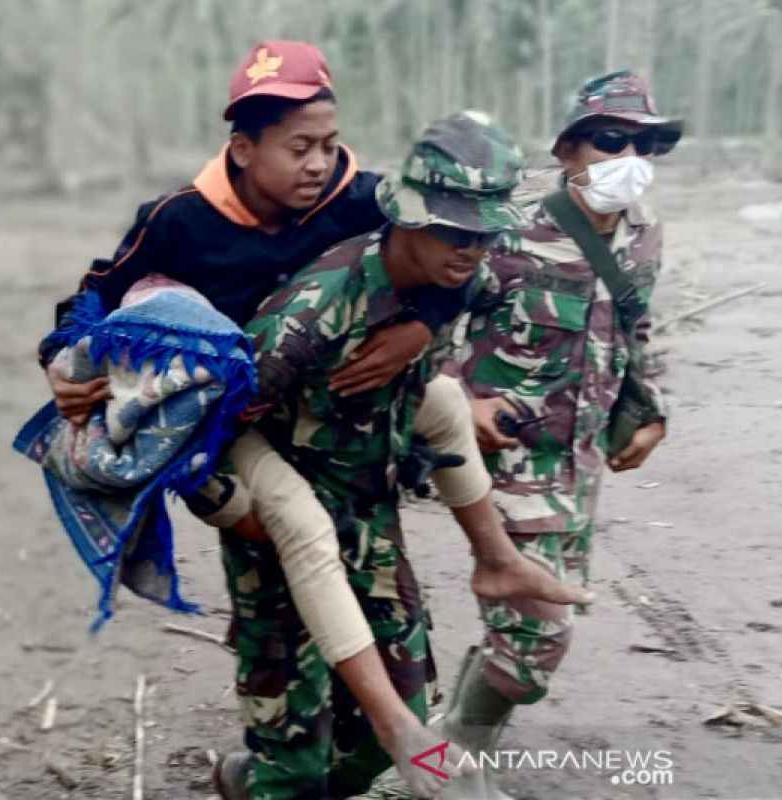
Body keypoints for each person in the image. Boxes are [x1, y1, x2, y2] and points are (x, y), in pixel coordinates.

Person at [215, 111, 560, 800]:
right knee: (296, 774)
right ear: (407, 216)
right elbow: (199, 439)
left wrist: (423, 330)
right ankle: (251, 780)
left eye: (485, 232)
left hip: (371, 526)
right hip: (282, 538)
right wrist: (239, 513)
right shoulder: (304, 321)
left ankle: (434, 784)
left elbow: (494, 293)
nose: (473, 248)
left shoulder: (462, 272)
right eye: (456, 230)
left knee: (387, 739)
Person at [445, 71, 683, 799]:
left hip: (580, 466)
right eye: (611, 139)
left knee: (520, 636)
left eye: (645, 143)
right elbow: (420, 322)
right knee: (536, 640)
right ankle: (450, 765)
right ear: (568, 148)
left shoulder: (643, 237)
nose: (629, 156)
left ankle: (441, 757)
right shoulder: (504, 231)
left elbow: (632, 334)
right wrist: (456, 403)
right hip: (503, 462)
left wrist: (649, 412)